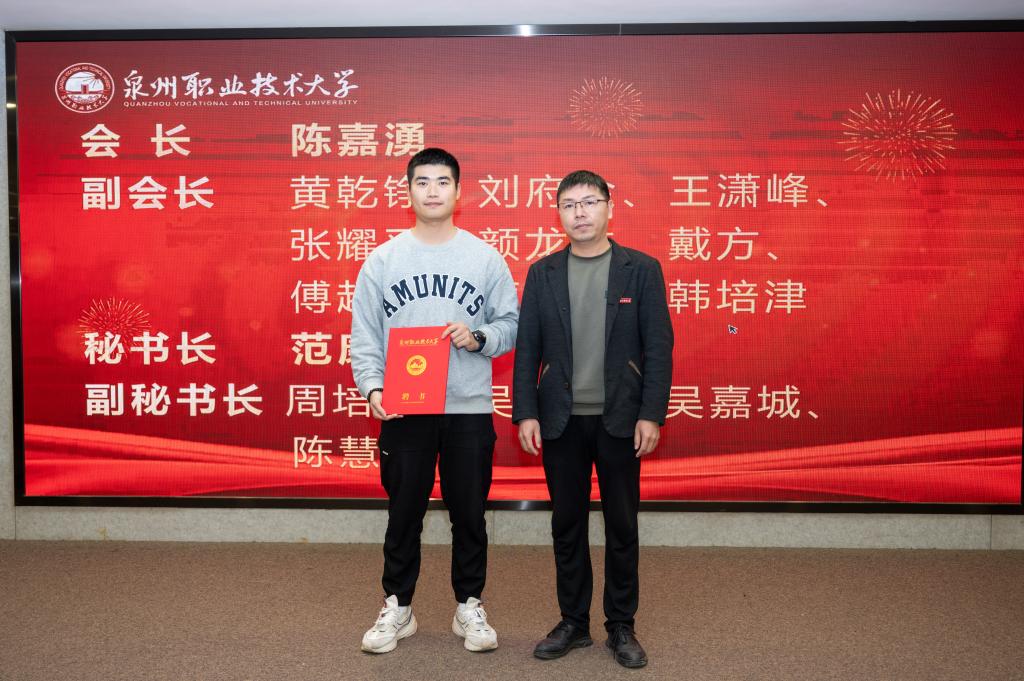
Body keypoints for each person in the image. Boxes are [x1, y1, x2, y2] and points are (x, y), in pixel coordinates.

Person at [351, 148, 519, 654]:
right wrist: (373, 389)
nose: (432, 190)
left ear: (458, 192)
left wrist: (479, 337)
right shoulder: (383, 260)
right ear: (408, 192)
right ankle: (398, 606)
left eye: (442, 182)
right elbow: (365, 337)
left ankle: (469, 605)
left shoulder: (484, 258)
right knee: (403, 513)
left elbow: (511, 324)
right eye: (422, 181)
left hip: (468, 407)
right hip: (405, 408)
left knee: (470, 513)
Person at [512, 170, 673, 668]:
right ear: (558, 214)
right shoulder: (542, 273)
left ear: (609, 208)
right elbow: (527, 349)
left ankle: (621, 624)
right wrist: (526, 412)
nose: (579, 212)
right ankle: (573, 622)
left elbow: (658, 346)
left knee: (622, 524)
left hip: (620, 418)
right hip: (561, 419)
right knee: (567, 523)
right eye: (569, 204)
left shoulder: (640, 269)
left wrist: (651, 414)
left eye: (589, 202)